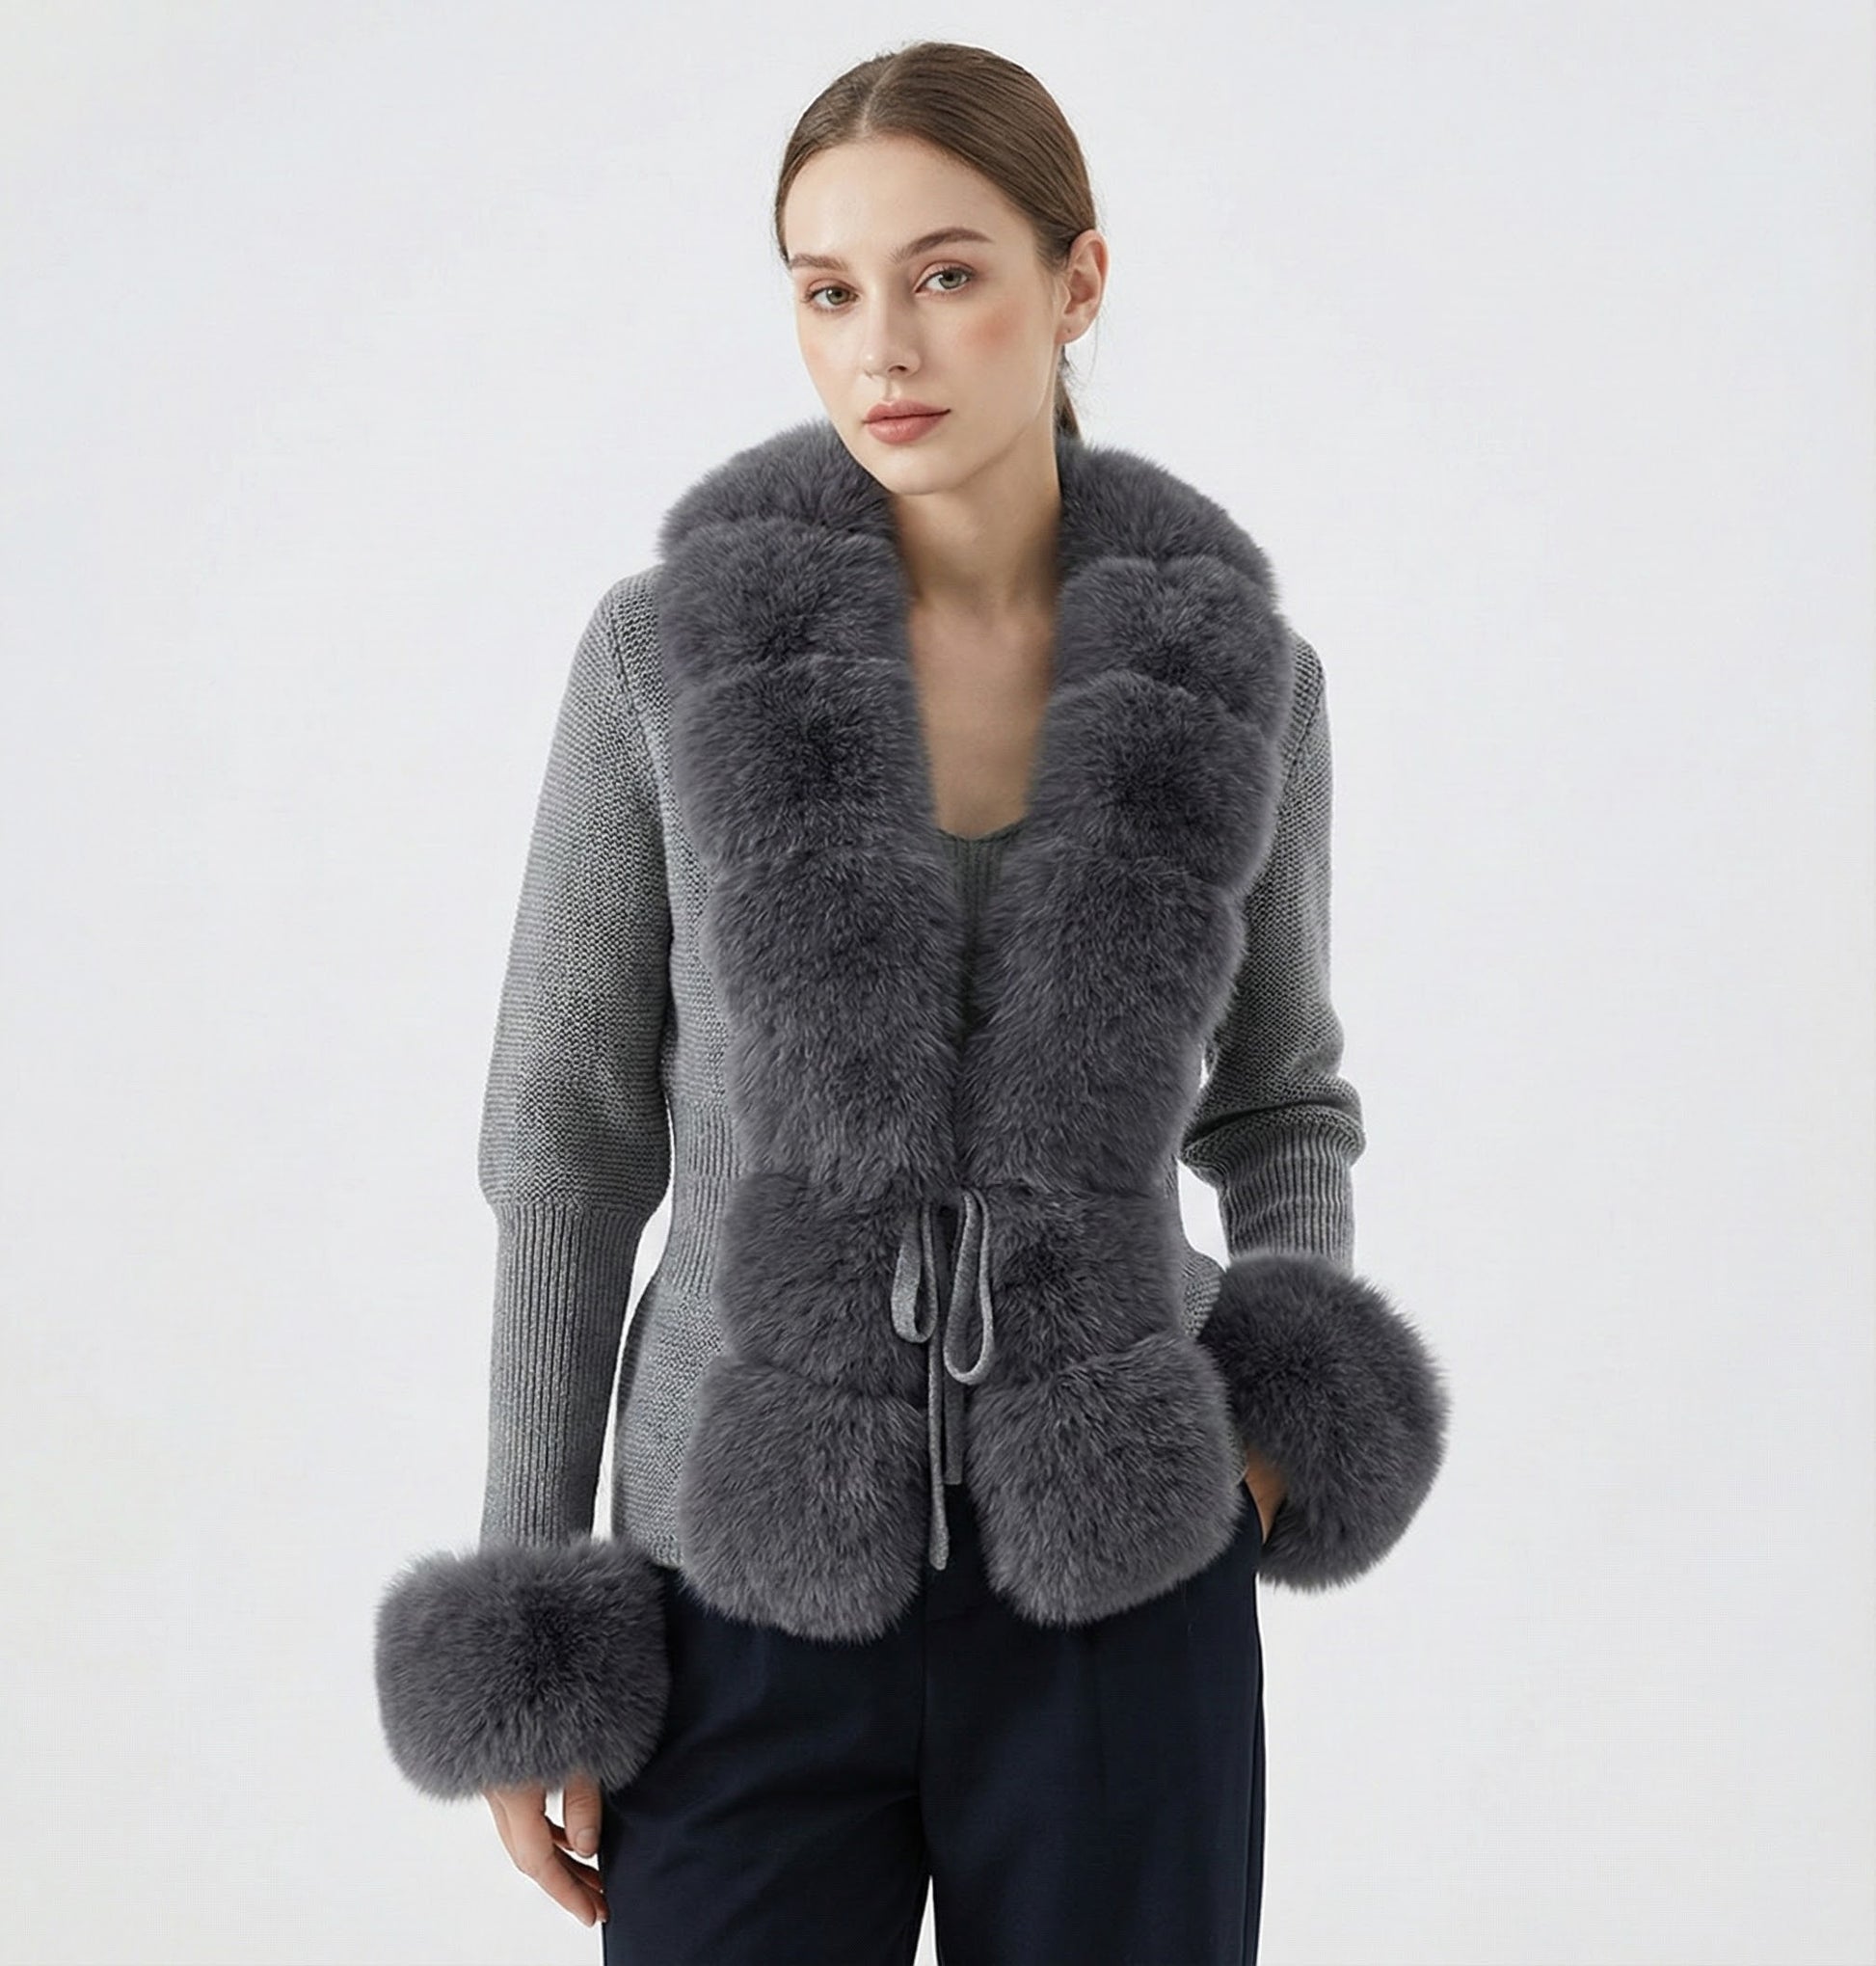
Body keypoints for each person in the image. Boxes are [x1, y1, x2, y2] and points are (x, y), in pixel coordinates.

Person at [373, 40, 1450, 1964]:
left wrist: (1276, 1419)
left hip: (1121, 1579)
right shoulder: (663, 663)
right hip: (737, 1585)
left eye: (946, 275)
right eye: (827, 289)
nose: (882, 346)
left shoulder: (1240, 687)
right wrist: (536, 1621)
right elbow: (563, 1143)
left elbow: (1282, 1100)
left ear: (1076, 281)